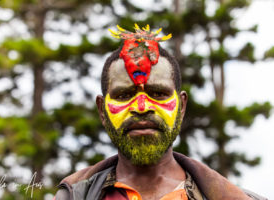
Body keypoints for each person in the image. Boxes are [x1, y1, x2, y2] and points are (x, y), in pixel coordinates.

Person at [54, 24, 266, 200]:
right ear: (102, 110)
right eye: (124, 95)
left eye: (158, 93)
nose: (142, 107)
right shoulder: (73, 196)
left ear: (181, 107)